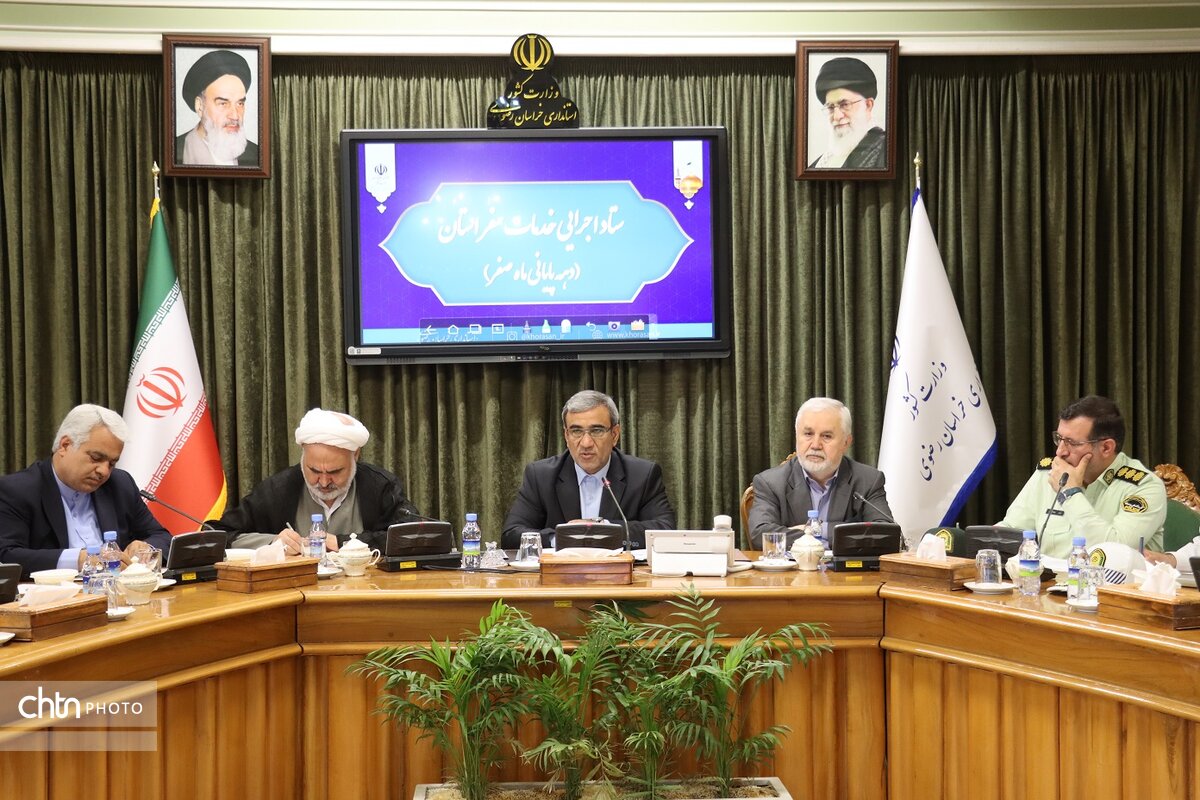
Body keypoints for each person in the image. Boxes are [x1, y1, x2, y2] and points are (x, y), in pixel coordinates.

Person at [211, 408, 420, 553]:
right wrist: (273, 542)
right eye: (314, 470)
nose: (324, 482)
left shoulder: (379, 486)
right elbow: (217, 534)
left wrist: (342, 543)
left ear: (355, 455)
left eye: (335, 472)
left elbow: (413, 534)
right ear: (303, 455)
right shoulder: (279, 489)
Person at [0, 404, 171, 578]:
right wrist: (79, 560)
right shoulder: (17, 490)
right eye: (96, 458)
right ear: (65, 445)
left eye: (112, 463)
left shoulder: (120, 484)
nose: (104, 471)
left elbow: (162, 537)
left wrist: (146, 548)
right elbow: (6, 556)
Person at [502, 390, 676, 549]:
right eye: (576, 431)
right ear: (566, 436)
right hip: (561, 572)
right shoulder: (541, 476)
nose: (586, 443)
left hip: (619, 572)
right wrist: (562, 538)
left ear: (614, 435)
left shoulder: (642, 475)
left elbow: (665, 531)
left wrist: (604, 529)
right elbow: (511, 535)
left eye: (597, 431)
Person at [998, 395, 1165, 559]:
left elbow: (1113, 555)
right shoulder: (1049, 473)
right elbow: (1011, 531)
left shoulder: (1145, 487)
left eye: (1072, 443)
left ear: (1106, 448)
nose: (1060, 452)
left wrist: (1070, 493)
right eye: (1059, 439)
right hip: (1046, 577)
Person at [748, 397, 892, 550]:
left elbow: (884, 535)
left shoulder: (868, 481)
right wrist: (844, 533)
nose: (816, 445)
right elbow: (760, 535)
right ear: (797, 436)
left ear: (846, 442)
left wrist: (816, 529)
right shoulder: (770, 483)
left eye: (826, 436)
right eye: (808, 434)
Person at [175, 49, 260, 167]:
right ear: (200, 106)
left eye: (240, 103)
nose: (235, 116)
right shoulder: (175, 152)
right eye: (223, 104)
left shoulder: (256, 155)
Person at [809, 56, 887, 170]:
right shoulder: (821, 163)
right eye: (830, 107)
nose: (837, 116)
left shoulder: (885, 150)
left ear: (868, 105)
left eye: (845, 105)